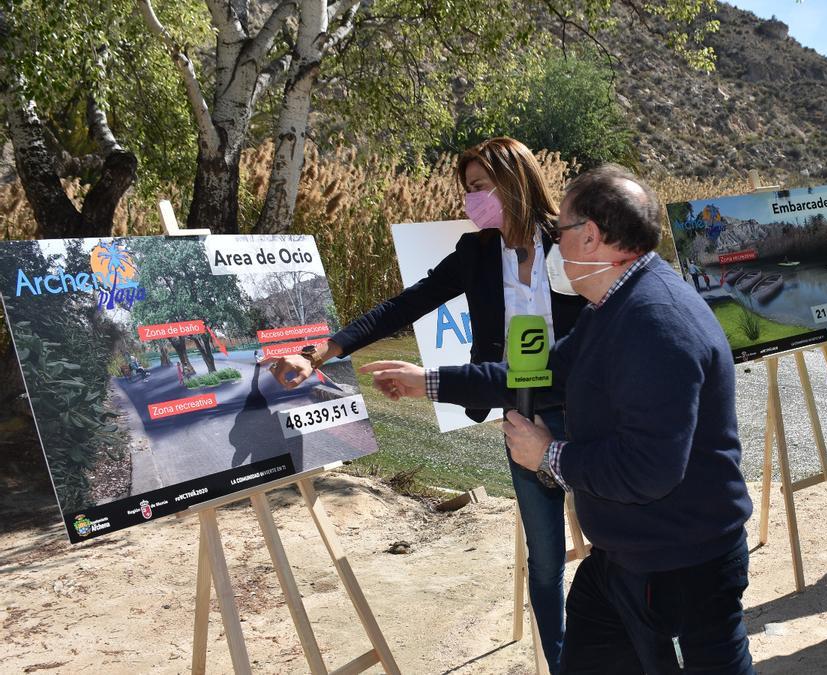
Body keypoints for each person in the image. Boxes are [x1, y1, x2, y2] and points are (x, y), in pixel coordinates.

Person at [361, 164, 755, 674]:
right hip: (622, 557)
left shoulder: (656, 324)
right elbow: (541, 374)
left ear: (590, 236)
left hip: (680, 567)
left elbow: (649, 469)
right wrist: (430, 382)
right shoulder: (611, 304)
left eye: (561, 230)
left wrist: (547, 455)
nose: (553, 243)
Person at [268, 137, 587, 673]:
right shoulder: (476, 254)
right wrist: (322, 352)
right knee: (547, 558)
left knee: (618, 542)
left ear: (516, 181)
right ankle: (561, 665)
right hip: (521, 417)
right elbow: (405, 304)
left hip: (589, 412)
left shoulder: (573, 241)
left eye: (482, 187)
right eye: (468, 191)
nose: (472, 201)